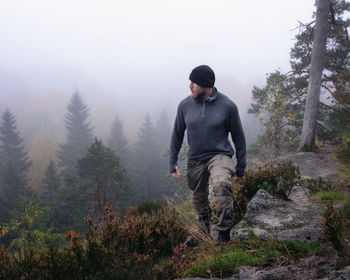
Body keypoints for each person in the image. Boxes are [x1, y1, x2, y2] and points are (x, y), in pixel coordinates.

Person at [169, 65, 246, 245]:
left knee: (220, 184)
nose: (190, 86)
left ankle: (223, 232)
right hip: (195, 158)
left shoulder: (227, 106)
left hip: (220, 155)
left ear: (205, 84)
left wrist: (241, 164)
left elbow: (238, 136)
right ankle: (202, 232)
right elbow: (177, 135)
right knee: (198, 196)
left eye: (193, 82)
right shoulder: (185, 105)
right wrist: (172, 161)